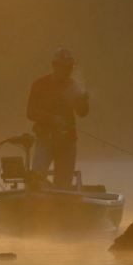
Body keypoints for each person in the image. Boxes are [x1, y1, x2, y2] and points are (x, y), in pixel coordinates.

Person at [26, 48, 89, 188]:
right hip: (45, 139)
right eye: (65, 67)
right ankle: (37, 204)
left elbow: (82, 113)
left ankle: (60, 206)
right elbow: (30, 113)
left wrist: (84, 101)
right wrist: (52, 119)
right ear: (55, 66)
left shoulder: (74, 86)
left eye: (70, 67)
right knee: (36, 178)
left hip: (67, 141)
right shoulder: (39, 85)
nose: (68, 70)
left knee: (63, 184)